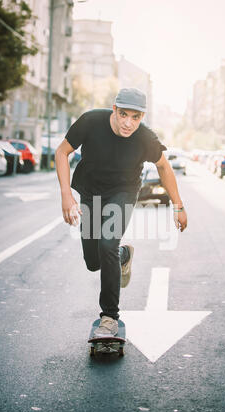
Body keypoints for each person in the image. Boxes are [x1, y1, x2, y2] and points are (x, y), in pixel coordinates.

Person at [55, 88, 187, 337]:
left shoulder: (145, 138)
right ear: (114, 109)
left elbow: (164, 168)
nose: (128, 123)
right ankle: (123, 255)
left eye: (135, 117)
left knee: (107, 244)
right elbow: (62, 152)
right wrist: (65, 194)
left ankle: (109, 318)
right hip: (91, 192)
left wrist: (178, 205)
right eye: (123, 114)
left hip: (123, 193)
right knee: (93, 262)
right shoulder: (91, 121)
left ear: (142, 117)